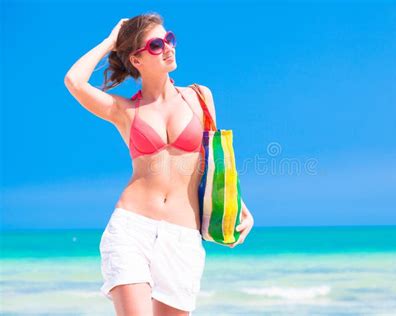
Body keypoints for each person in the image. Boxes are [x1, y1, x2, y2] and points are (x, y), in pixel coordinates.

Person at [64, 12, 254, 316]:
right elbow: (73, 81)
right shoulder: (124, 110)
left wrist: (237, 203)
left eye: (170, 39)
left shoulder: (199, 97)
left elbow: (215, 160)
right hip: (131, 228)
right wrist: (111, 41)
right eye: (156, 45)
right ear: (136, 60)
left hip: (183, 235)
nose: (168, 47)